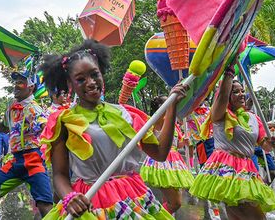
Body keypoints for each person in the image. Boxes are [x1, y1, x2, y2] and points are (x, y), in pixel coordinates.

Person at [39, 40, 188, 219]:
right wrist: (69, 197)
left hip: (133, 197)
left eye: (95, 74)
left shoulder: (127, 114)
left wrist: (171, 107)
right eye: (80, 79)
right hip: (93, 202)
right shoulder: (63, 121)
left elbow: (160, 154)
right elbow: (60, 175)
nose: (91, 83)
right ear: (70, 85)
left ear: (101, 73)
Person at [189, 62, 275, 220]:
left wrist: (271, 143)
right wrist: (229, 72)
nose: (241, 94)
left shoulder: (253, 118)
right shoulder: (220, 115)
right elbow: (222, 97)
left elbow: (264, 145)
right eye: (235, 92)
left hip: (248, 169)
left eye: (242, 91)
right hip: (228, 171)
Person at [0, 70, 53, 219]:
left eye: (21, 82)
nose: (16, 85)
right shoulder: (12, 107)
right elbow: (4, 127)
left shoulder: (35, 109)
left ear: (31, 87)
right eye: (15, 82)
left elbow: (46, 129)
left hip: (34, 161)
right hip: (14, 162)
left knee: (45, 209)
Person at [140, 95, 194, 214]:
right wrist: (171, 108)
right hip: (161, 163)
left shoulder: (172, 124)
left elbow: (175, 145)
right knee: (176, 203)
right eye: (168, 103)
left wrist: (183, 143)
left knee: (169, 200)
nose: (172, 105)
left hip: (175, 164)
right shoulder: (155, 121)